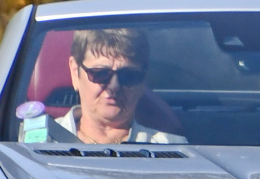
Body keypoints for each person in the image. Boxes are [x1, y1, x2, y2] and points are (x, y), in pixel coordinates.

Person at [46, 28, 188, 144]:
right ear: (75, 72)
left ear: (142, 81)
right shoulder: (37, 144)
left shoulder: (171, 151)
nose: (114, 86)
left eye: (128, 76)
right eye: (101, 74)